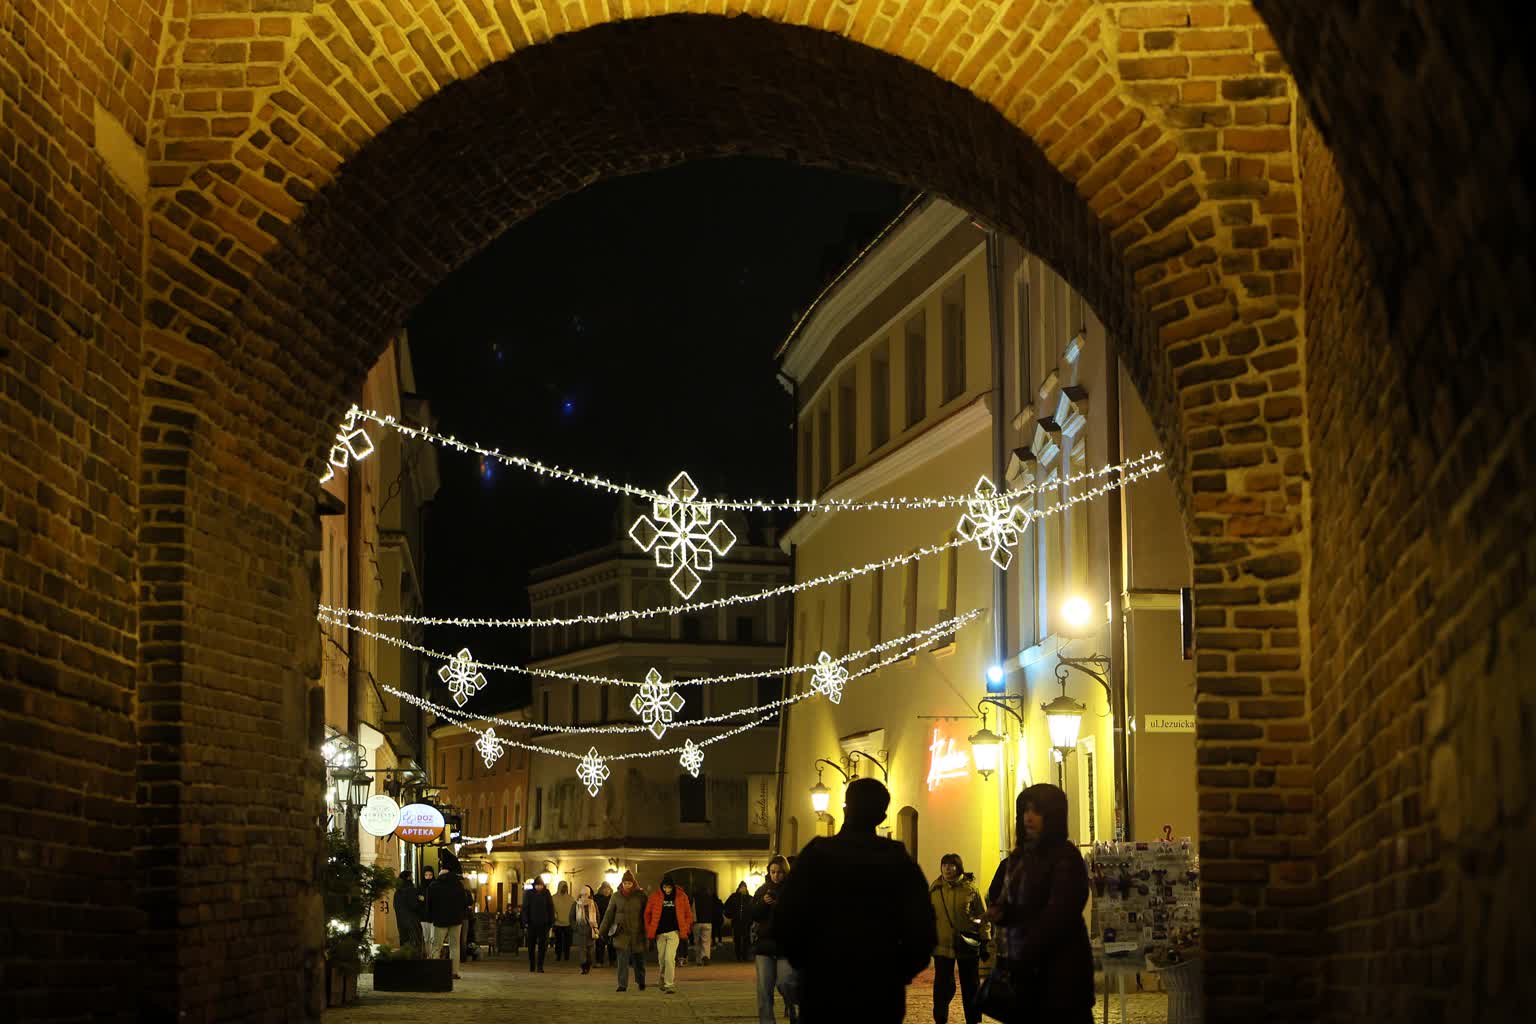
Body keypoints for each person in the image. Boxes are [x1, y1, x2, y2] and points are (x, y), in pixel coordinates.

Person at [776, 778, 935, 1024]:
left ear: (845, 809)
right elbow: (923, 928)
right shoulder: (896, 859)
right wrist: (897, 972)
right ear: (881, 817)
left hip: (823, 987)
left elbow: (785, 919)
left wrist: (806, 965)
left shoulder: (816, 855)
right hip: (880, 990)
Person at [983, 784, 1094, 1024]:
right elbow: (1019, 905)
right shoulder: (1020, 857)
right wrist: (1003, 914)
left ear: (1051, 815)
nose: (1029, 817)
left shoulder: (1065, 857)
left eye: (1036, 811)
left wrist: (1027, 945)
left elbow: (1061, 912)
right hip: (1026, 974)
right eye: (1025, 810)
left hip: (1061, 973)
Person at [931, 853, 989, 1024]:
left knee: (970, 985)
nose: (947, 869)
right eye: (944, 865)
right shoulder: (935, 889)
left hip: (966, 943)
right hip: (942, 945)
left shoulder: (970, 889)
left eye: (951, 865)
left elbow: (982, 916)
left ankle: (973, 1019)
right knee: (942, 986)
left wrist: (985, 940)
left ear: (959, 868)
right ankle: (940, 1018)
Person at [748, 856, 798, 1024]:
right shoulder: (762, 890)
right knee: (764, 989)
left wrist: (779, 904)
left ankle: (792, 1006)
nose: (776, 875)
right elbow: (753, 914)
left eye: (780, 872)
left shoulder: (792, 890)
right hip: (764, 946)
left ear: (786, 872)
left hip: (785, 946)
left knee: (786, 983)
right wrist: (763, 903)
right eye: (773, 872)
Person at [424, 851, 474, 980]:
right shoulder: (458, 885)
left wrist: (430, 917)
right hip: (456, 920)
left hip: (439, 920)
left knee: (436, 946)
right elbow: (464, 902)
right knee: (455, 946)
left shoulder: (434, 885)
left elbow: (429, 904)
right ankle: (454, 972)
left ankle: (435, 972)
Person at [644, 873, 695, 994]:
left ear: (673, 887)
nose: (667, 890)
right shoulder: (655, 897)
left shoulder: (681, 896)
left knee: (669, 958)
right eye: (665, 887)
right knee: (662, 959)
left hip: (674, 932)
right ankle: (662, 977)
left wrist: (685, 928)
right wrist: (650, 929)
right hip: (660, 933)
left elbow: (688, 914)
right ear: (662, 887)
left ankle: (669, 984)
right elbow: (647, 914)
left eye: (669, 887)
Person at [599, 870, 648, 992]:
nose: (627, 885)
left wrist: (648, 931)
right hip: (621, 933)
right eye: (625, 883)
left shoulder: (641, 896)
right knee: (622, 961)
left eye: (629, 883)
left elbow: (647, 914)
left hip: (637, 933)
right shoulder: (616, 896)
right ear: (622, 883)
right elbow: (609, 914)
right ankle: (622, 984)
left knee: (639, 960)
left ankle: (641, 981)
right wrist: (602, 930)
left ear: (633, 883)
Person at [521, 876, 556, 973]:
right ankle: (532, 965)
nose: (539, 887)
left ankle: (540, 965)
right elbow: (525, 908)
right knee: (531, 946)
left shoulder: (546, 893)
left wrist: (551, 921)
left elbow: (550, 907)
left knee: (542, 946)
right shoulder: (529, 893)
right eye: (537, 885)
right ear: (534, 885)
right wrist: (525, 922)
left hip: (544, 924)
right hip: (532, 923)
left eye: (540, 885)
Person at [570, 884, 600, 974]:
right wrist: (575, 927)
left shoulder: (593, 904)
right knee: (582, 950)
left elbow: (597, 916)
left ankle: (588, 964)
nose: (584, 896)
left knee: (590, 950)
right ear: (580, 894)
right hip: (580, 930)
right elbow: (571, 917)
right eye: (583, 894)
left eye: (586, 894)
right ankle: (583, 966)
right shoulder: (576, 904)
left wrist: (595, 926)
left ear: (589, 894)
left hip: (590, 931)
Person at [394, 869, 424, 953]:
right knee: (414, 946)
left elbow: (395, 906)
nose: (413, 878)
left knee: (404, 943)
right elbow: (414, 906)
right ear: (408, 878)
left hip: (401, 921)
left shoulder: (397, 892)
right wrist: (420, 901)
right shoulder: (411, 889)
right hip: (412, 921)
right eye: (411, 876)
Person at [691, 885, 720, 964]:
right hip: (708, 922)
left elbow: (693, 910)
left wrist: (693, 920)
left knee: (697, 941)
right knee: (706, 941)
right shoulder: (710, 898)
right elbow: (715, 909)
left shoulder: (695, 898)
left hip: (697, 922)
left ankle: (698, 960)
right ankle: (705, 955)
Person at [725, 880, 753, 962]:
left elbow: (753, 908)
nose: (743, 889)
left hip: (746, 921)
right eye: (742, 887)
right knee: (737, 939)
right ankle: (738, 956)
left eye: (744, 887)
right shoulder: (734, 897)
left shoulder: (749, 898)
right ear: (739, 888)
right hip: (736, 921)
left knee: (746, 939)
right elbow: (727, 906)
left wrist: (751, 918)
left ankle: (745, 955)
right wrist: (730, 915)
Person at [551, 879, 575, 962]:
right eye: (563, 887)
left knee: (567, 941)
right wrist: (554, 916)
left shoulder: (570, 899)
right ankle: (558, 955)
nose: (564, 889)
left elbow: (573, 910)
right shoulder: (554, 898)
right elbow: (551, 909)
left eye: (565, 887)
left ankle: (566, 955)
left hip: (568, 923)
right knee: (558, 941)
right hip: (557, 923)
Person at [593, 881, 614, 967]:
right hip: (600, 923)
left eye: (608, 889)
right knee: (600, 943)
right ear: (601, 890)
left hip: (611, 924)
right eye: (604, 889)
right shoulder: (596, 898)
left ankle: (612, 961)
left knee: (611, 944)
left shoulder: (612, 898)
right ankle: (599, 961)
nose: (606, 891)